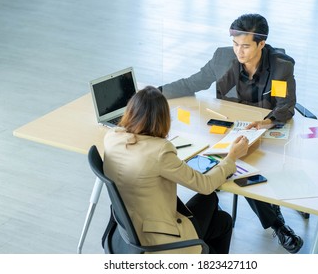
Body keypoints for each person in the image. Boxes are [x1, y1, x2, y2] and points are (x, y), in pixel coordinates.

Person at [159, 13, 303, 254]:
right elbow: (191, 83)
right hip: (227, 128)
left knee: (247, 171)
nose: (239, 51)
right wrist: (154, 94)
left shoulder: (281, 66)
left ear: (261, 44)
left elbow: (286, 106)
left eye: (246, 46)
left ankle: (277, 224)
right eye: (236, 44)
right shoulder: (223, 57)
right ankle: (220, 195)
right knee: (205, 155)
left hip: (263, 131)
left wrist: (265, 122)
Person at [103, 86, 249, 254]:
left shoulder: (111, 137)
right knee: (219, 214)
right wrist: (231, 157)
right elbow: (206, 185)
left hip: (130, 230)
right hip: (158, 239)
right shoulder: (160, 150)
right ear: (163, 119)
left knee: (217, 212)